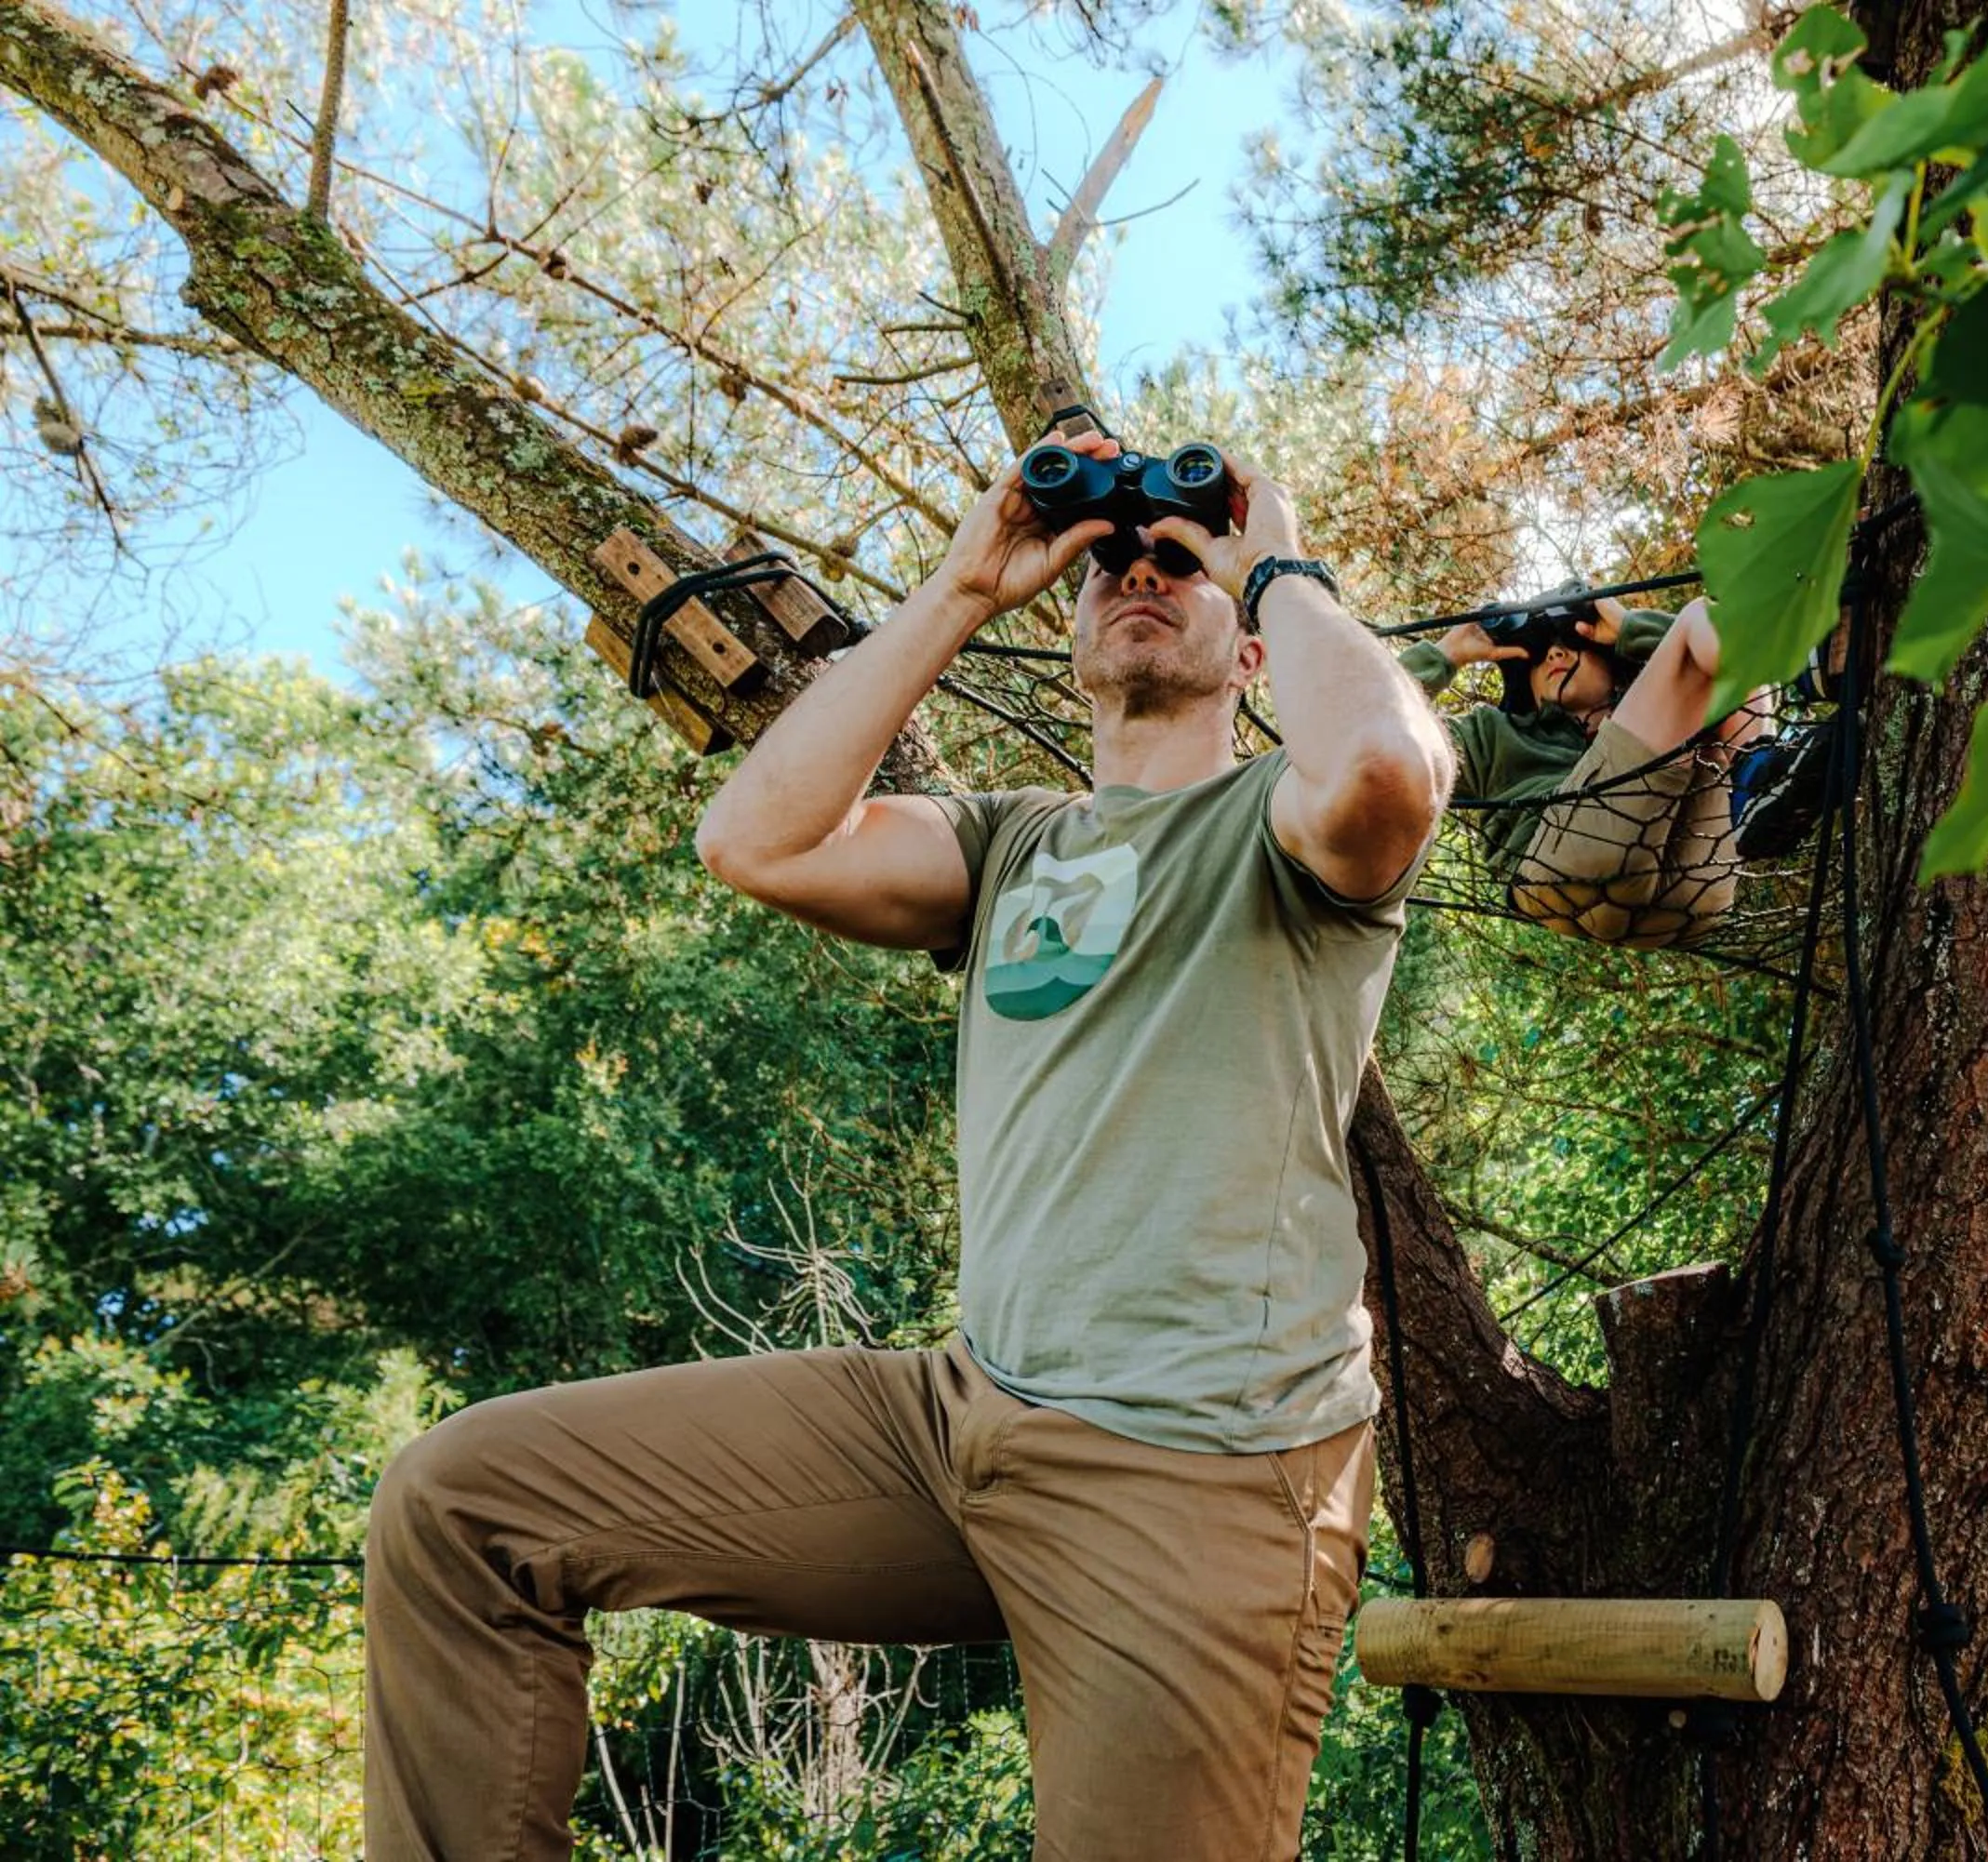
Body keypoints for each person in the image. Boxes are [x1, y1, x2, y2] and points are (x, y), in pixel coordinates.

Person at [360, 434, 1452, 1862]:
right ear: (1067, 640)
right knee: (462, 1506)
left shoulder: (1287, 829)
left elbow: (1382, 763)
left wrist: (1271, 554)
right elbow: (756, 838)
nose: (1138, 569)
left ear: (1251, 654)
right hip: (961, 1417)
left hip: (1199, 1468)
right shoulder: (1006, 846)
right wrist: (957, 587)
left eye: (1176, 563)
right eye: (1111, 562)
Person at [1398, 591, 1815, 948]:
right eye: (1539, 656)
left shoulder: (1659, 712)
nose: (1556, 654)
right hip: (1557, 868)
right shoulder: (1492, 732)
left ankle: (1755, 781)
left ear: (1611, 661)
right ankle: (1788, 710)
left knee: (1714, 686)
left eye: (1569, 643)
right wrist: (1444, 656)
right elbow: (1380, 732)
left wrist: (1631, 628)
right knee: (1695, 618)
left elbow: (1705, 666)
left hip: (1687, 891)